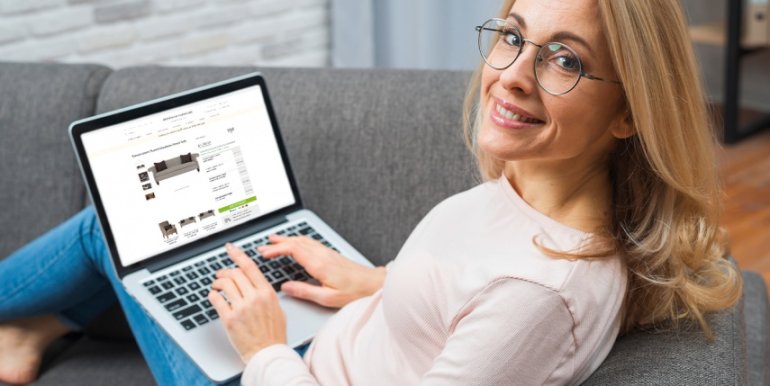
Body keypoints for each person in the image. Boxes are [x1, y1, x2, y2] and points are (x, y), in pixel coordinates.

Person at [0, 0, 744, 384]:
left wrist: (262, 350)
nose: (513, 72)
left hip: (278, 373)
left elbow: (508, 314)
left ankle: (36, 324)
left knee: (113, 232)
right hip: (322, 350)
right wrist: (377, 286)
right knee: (157, 251)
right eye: (513, 36)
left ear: (627, 113)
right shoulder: (532, 197)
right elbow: (464, 307)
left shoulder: (540, 294)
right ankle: (42, 330)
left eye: (565, 61)